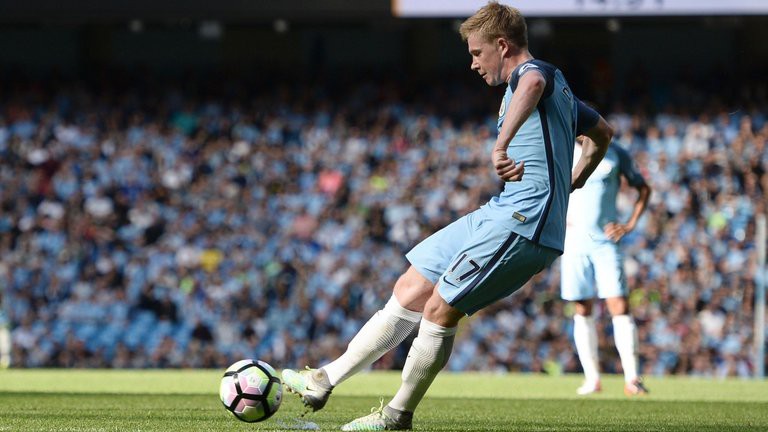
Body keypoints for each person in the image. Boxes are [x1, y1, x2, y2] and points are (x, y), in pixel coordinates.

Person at [281, 2, 614, 430]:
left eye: (477, 53)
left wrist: (501, 146)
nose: (473, 64)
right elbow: (602, 132)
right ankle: (324, 380)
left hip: (524, 221)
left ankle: (397, 414)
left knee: (440, 309)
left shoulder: (536, 74)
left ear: (501, 45)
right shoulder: (561, 90)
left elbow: (531, 82)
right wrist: (577, 178)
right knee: (411, 286)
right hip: (501, 210)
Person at [561, 136, 651, 395]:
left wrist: (630, 224)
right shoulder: (563, 149)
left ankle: (633, 378)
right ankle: (592, 378)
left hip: (605, 240)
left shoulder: (615, 153)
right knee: (582, 306)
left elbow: (643, 188)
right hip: (575, 240)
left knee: (619, 305)